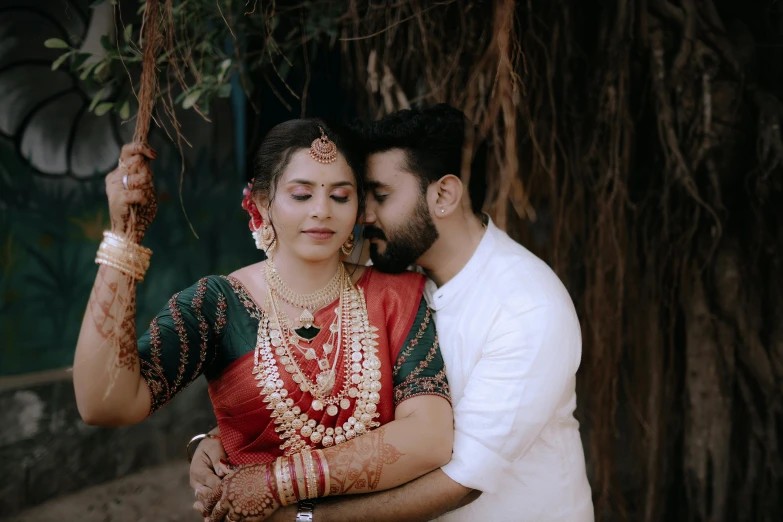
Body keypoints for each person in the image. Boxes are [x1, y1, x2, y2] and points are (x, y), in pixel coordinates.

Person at [191, 104, 594, 521]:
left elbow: (461, 482)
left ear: (442, 196)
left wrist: (300, 515)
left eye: (380, 196)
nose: (363, 216)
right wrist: (230, 438)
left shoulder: (524, 308)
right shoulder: (400, 276)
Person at [72, 118, 454, 522]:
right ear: (260, 201)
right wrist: (124, 235)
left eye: (340, 196)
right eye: (302, 194)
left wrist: (277, 482)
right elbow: (106, 403)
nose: (322, 211)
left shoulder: (397, 295)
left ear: (358, 207)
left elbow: (429, 437)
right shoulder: (218, 305)